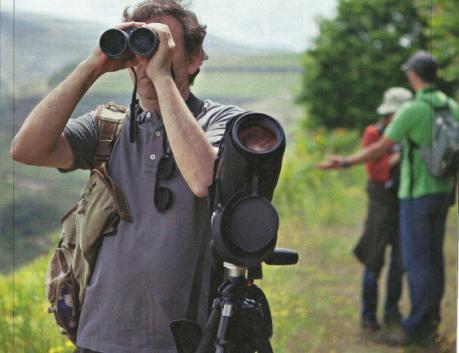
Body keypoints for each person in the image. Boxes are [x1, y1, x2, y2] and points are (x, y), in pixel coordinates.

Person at [10, 1, 247, 352]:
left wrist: (161, 76)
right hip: (98, 336)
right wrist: (92, 66)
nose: (146, 65)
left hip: (183, 342)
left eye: (161, 50)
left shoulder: (220, 121)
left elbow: (203, 178)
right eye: (139, 50)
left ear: (195, 60)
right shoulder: (109, 126)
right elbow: (26, 150)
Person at [317, 51, 459, 346]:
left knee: (418, 261)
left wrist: (344, 162)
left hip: (416, 194)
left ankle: (414, 328)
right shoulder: (451, 106)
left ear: (413, 76)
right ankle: (430, 320)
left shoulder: (414, 109)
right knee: (434, 260)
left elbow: (381, 148)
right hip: (444, 192)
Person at [317, 87, 412, 332]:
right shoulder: (374, 132)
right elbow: (375, 170)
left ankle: (392, 313)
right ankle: (368, 316)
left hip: (403, 198)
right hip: (381, 199)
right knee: (374, 258)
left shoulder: (408, 134)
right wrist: (398, 158)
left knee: (399, 261)